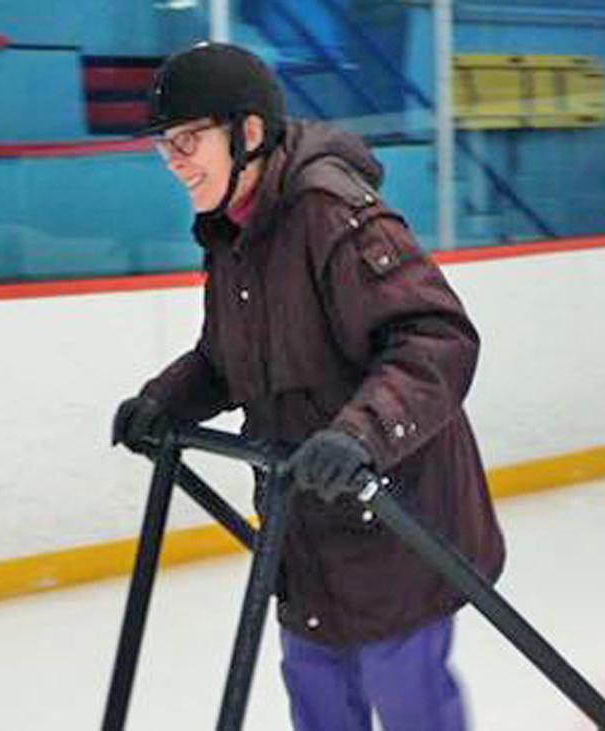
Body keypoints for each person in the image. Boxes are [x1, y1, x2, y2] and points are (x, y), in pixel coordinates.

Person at [111, 42, 505, 731]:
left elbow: (436, 338)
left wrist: (362, 434)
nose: (173, 161)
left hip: (393, 520)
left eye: (188, 140)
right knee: (318, 697)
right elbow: (227, 358)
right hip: (305, 525)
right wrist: (164, 400)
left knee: (407, 697)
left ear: (248, 132)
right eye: (164, 145)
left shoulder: (331, 213)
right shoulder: (231, 233)